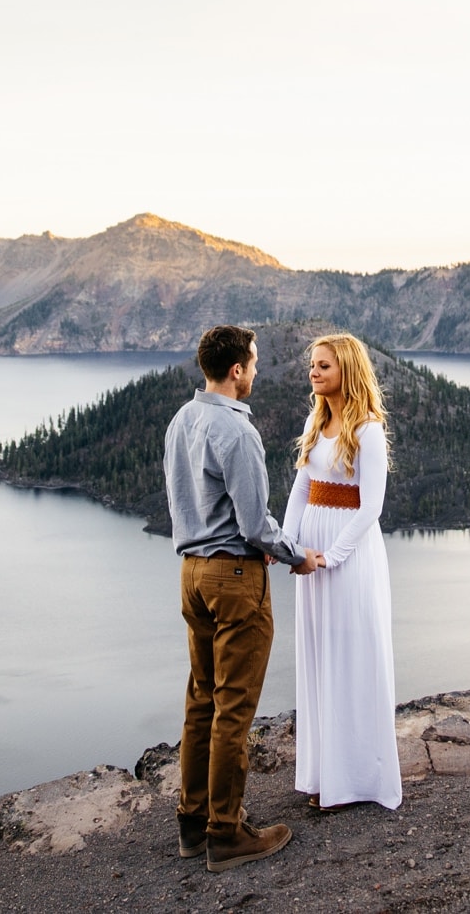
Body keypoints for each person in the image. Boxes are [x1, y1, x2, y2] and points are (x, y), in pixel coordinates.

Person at [164, 324, 326, 871]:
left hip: (192, 574)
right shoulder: (236, 431)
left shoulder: (182, 420)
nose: (255, 372)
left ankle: (192, 823)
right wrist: (297, 555)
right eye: (252, 364)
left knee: (201, 701)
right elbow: (255, 523)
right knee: (233, 708)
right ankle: (227, 833)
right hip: (234, 578)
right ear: (236, 369)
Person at [281, 333, 402, 812]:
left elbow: (371, 506)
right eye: (313, 365)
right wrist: (289, 545)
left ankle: (353, 781)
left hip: (347, 556)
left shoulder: (369, 429)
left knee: (350, 658)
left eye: (324, 366)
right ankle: (322, 775)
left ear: (346, 371)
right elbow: (301, 488)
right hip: (311, 552)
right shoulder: (316, 419)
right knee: (320, 657)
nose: (314, 372)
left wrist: (332, 556)